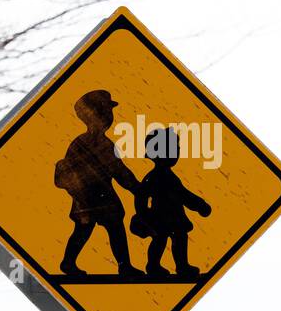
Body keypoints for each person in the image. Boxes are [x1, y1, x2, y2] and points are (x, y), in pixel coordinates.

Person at [54, 89, 144, 276]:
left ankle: (123, 265)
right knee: (88, 230)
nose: (109, 117)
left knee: (108, 228)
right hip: (90, 198)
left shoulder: (104, 144)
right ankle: (70, 262)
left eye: (109, 113)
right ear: (92, 115)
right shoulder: (83, 143)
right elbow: (119, 172)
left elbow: (120, 171)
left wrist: (136, 188)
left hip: (99, 197)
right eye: (105, 112)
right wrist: (136, 188)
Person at [129, 126, 211, 278]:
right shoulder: (156, 177)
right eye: (174, 148)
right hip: (162, 217)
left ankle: (181, 266)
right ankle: (154, 265)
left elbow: (183, 195)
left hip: (174, 216)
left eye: (177, 148)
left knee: (178, 238)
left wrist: (199, 204)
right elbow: (142, 195)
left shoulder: (166, 176)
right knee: (161, 239)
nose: (177, 152)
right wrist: (143, 214)